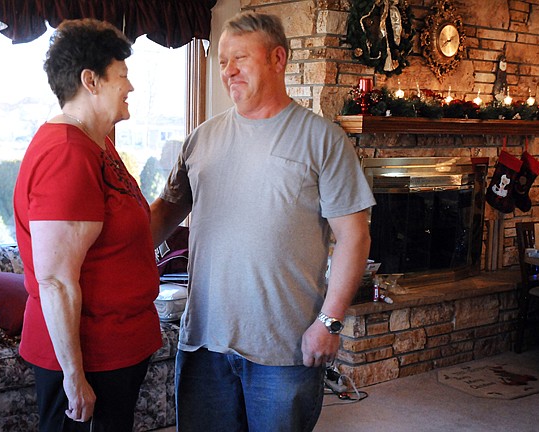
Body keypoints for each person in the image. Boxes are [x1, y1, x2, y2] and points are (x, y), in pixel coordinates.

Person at [151, 11, 376, 432]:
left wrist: (329, 321)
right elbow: (165, 212)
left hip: (285, 351)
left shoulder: (323, 139)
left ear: (277, 59)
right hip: (203, 344)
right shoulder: (201, 138)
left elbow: (354, 237)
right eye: (221, 61)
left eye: (240, 57)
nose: (229, 70)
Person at [13, 18, 161, 432]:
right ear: (90, 81)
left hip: (117, 349)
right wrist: (74, 379)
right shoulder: (66, 154)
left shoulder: (98, 144)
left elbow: (128, 232)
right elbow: (56, 281)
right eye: (123, 76)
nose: (130, 87)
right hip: (88, 358)